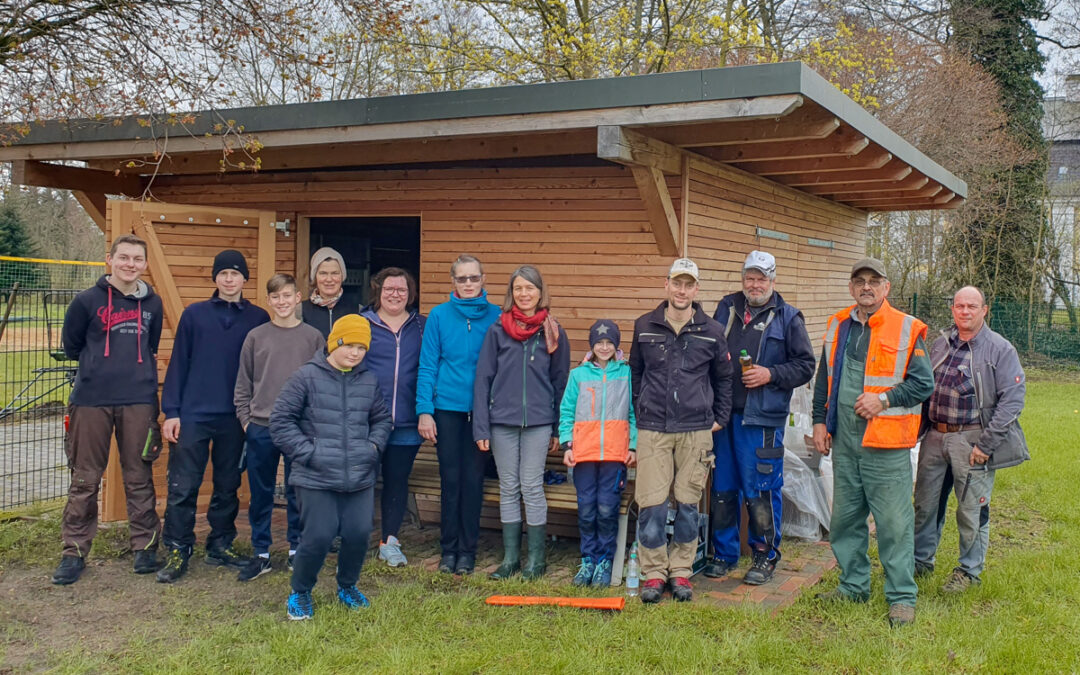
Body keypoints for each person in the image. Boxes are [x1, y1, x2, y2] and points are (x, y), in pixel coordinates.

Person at [811, 257, 934, 627]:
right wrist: (819, 421)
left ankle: (901, 597)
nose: (866, 287)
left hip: (886, 446)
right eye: (859, 281)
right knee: (845, 521)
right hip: (845, 446)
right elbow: (823, 380)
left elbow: (923, 384)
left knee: (894, 526)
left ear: (886, 288)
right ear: (851, 288)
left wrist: (883, 400)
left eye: (874, 281)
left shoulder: (906, 328)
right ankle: (852, 586)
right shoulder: (837, 325)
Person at [52, 234, 165, 585]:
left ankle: (145, 547)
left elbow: (150, 343)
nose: (130, 264)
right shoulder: (86, 302)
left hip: (138, 399)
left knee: (138, 474)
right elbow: (72, 345)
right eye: (124, 257)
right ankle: (74, 550)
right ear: (110, 260)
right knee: (85, 477)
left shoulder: (153, 304)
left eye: (137, 259)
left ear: (145, 264)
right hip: (91, 400)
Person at [157, 250, 270, 583]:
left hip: (235, 417)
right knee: (183, 485)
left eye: (236, 274)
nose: (230, 279)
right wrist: (172, 411)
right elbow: (179, 363)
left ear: (245, 279)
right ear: (215, 278)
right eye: (223, 274)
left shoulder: (258, 318)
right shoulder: (195, 315)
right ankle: (178, 547)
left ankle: (220, 543)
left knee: (228, 484)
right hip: (193, 414)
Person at [271, 315, 393, 620]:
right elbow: (280, 422)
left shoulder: (368, 380)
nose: (355, 353)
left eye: (361, 347)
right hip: (316, 476)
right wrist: (309, 453)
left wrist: (373, 448)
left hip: (359, 475)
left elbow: (382, 420)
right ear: (334, 343)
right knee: (319, 536)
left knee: (358, 533)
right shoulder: (305, 377)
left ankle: (347, 586)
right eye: (349, 345)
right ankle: (300, 591)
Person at [706, 251, 815, 584]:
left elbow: (805, 365)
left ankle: (765, 555)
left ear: (773, 280)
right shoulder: (727, 307)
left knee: (761, 488)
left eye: (761, 278)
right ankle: (723, 554)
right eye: (750, 278)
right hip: (724, 415)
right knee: (723, 487)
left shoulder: (788, 317)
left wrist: (770, 374)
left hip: (763, 419)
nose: (755, 284)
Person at [629, 258, 733, 603]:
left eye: (689, 285)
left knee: (688, 504)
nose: (682, 290)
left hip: (696, 430)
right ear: (667, 285)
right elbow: (637, 374)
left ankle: (682, 571)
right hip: (654, 429)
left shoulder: (712, 331)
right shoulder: (644, 326)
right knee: (652, 505)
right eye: (677, 283)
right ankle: (655, 573)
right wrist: (641, 410)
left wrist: (719, 416)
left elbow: (723, 378)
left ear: (696, 290)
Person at [913, 286, 1029, 593]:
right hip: (935, 436)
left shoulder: (1000, 350)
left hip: (972, 440)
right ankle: (920, 561)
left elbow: (1012, 401)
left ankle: (968, 571)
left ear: (984, 310)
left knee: (971, 510)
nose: (965, 311)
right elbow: (924, 387)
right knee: (925, 505)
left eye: (972, 306)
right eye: (960, 306)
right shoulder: (939, 345)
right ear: (952, 308)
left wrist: (986, 444)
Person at [474, 265, 571, 581]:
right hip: (502, 421)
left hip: (540, 423)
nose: (524, 294)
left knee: (531, 486)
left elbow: (560, 383)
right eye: (518, 288)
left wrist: (558, 427)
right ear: (511, 293)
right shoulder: (496, 331)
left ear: (540, 293)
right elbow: (483, 379)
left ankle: (536, 560)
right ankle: (511, 558)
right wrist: (481, 427)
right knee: (508, 487)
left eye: (530, 288)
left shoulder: (553, 331)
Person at [233, 273, 324, 581]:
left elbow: (321, 382)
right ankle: (261, 552)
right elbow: (243, 383)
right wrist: (246, 421)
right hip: (261, 425)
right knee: (261, 493)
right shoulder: (256, 337)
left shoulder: (313, 338)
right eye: (276, 297)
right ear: (268, 301)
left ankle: (298, 549)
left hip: (300, 427)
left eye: (288, 296)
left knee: (300, 491)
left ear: (298, 298)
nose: (282, 302)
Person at [415, 254, 501, 575]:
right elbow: (427, 366)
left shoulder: (497, 316)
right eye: (462, 279)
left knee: (474, 480)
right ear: (453, 282)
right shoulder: (438, 316)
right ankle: (448, 550)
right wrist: (425, 410)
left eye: (473, 278)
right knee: (451, 481)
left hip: (482, 413)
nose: (468, 284)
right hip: (447, 410)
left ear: (483, 280)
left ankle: (468, 551)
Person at [558, 319, 637, 588]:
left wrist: (633, 446)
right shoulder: (578, 375)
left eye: (609, 343)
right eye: (599, 342)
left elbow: (633, 414)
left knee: (606, 508)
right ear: (592, 345)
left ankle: (605, 560)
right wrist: (568, 445)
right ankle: (588, 560)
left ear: (617, 346)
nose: (604, 347)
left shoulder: (626, 374)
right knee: (587, 509)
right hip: (584, 456)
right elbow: (567, 412)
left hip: (615, 457)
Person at [360, 267, 426, 567]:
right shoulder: (362, 323)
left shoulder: (421, 327)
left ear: (410, 294)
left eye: (401, 290)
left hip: (408, 424)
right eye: (389, 289)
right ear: (378, 291)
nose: (395, 295)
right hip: (368, 422)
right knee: (362, 480)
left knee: (397, 482)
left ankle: (389, 541)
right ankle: (356, 539)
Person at [301, 246, 359, 338]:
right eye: (323, 273)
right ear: (315, 277)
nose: (329, 279)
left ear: (342, 276)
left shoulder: (357, 310)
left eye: (335, 273)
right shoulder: (299, 311)